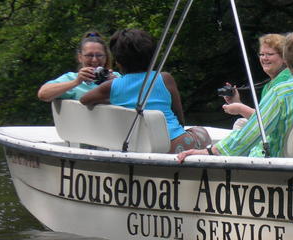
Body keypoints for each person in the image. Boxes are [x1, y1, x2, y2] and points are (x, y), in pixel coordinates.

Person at [177, 30, 293, 161]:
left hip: (280, 171)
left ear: (286, 59)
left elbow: (251, 133)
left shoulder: (281, 93)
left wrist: (210, 152)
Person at [80, 28, 210, 154]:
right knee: (201, 131)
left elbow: (84, 99)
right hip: (174, 144)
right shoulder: (165, 78)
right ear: (152, 57)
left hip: (137, 146)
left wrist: (112, 97)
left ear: (118, 62)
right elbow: (180, 119)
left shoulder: (111, 86)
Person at [222, 33, 292, 126]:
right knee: (241, 123)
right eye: (261, 54)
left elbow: (267, 121)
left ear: (284, 58)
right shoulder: (269, 85)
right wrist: (237, 102)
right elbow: (261, 120)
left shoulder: (284, 81)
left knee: (240, 124)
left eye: (269, 54)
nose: (264, 58)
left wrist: (240, 108)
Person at [38, 32, 119, 101]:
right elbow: (43, 94)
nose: (95, 60)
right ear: (80, 57)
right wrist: (76, 82)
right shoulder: (72, 78)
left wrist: (117, 85)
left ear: (106, 57)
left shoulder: (116, 77)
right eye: (89, 55)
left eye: (99, 55)